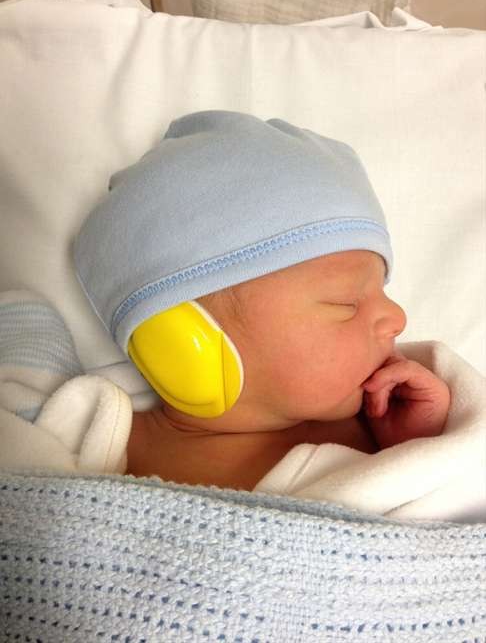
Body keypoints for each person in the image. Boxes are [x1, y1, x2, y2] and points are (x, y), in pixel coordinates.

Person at [72, 109, 449, 491]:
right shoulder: (97, 441)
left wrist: (420, 449)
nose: (397, 317)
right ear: (185, 337)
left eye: (383, 291)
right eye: (345, 302)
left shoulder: (381, 441)